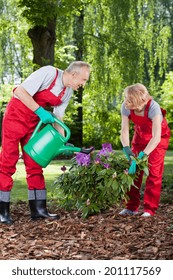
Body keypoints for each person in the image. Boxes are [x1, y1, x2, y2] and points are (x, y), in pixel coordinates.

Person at [0, 61, 90, 224]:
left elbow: (58, 119)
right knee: (7, 162)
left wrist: (62, 142)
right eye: (83, 80)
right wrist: (40, 111)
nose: (83, 84)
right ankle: (2, 211)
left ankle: (39, 210)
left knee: (34, 164)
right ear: (74, 74)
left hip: (34, 123)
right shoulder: (49, 73)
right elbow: (20, 91)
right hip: (15, 116)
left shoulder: (67, 92)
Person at [119, 83, 170, 217]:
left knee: (154, 173)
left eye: (129, 100)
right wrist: (126, 149)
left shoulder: (153, 108)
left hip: (158, 140)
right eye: (126, 98)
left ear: (140, 100)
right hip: (140, 137)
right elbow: (124, 130)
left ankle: (149, 209)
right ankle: (131, 207)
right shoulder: (126, 107)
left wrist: (143, 155)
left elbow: (156, 137)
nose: (126, 102)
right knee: (133, 171)